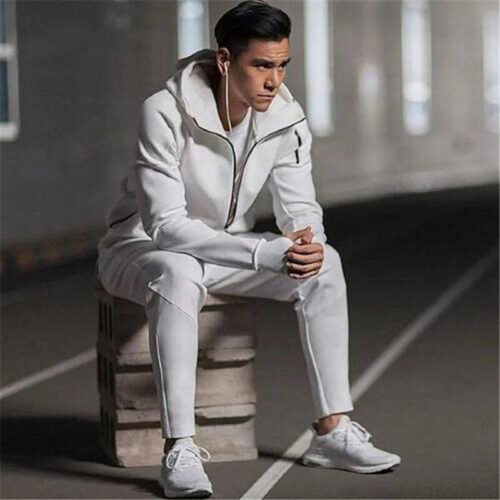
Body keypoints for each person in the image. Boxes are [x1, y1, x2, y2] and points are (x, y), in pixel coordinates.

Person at [96, 0, 401, 497]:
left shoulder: (285, 116)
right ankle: (180, 449)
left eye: (282, 66)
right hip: (140, 249)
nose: (274, 80)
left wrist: (308, 242)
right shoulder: (163, 112)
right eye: (261, 65)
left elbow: (299, 207)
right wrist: (262, 254)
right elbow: (166, 227)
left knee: (327, 267)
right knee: (177, 272)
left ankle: (332, 431)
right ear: (225, 60)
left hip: (223, 251)